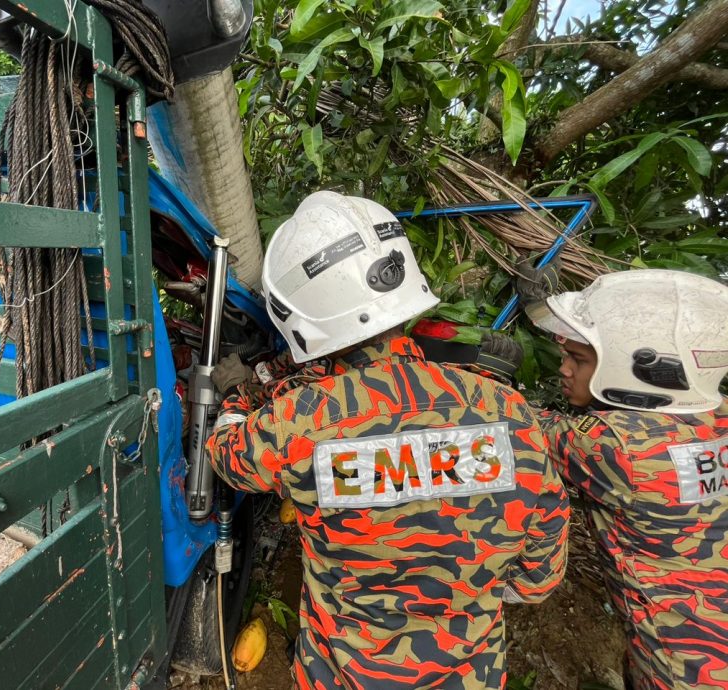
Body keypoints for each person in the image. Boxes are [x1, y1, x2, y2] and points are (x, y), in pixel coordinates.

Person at [206, 191, 570, 689]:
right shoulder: (510, 413)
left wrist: (236, 397)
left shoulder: (300, 422)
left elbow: (228, 459)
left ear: (299, 318)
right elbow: (536, 580)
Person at [519, 266, 728, 690]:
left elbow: (513, 420)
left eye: (576, 359)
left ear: (652, 371)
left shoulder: (617, 448)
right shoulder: (716, 416)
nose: (563, 369)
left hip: (684, 665)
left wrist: (480, 368)